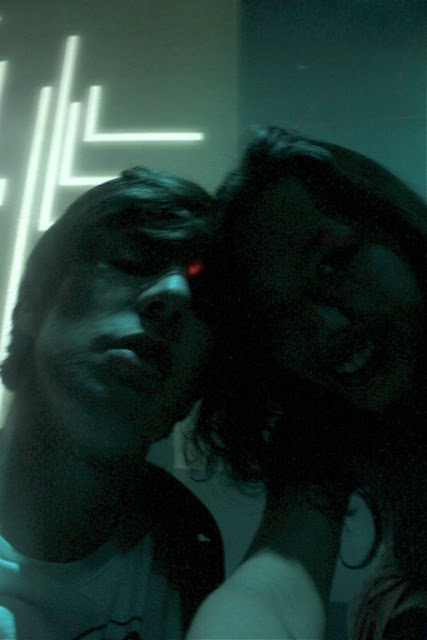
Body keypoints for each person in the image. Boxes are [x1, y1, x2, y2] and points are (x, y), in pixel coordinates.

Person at [185, 127, 426, 639]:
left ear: (397, 229)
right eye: (278, 317)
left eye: (334, 262)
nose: (324, 326)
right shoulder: (327, 421)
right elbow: (274, 586)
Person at [0, 167, 224, 640]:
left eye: (206, 299)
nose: (175, 295)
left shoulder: (188, 543)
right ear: (32, 308)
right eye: (134, 259)